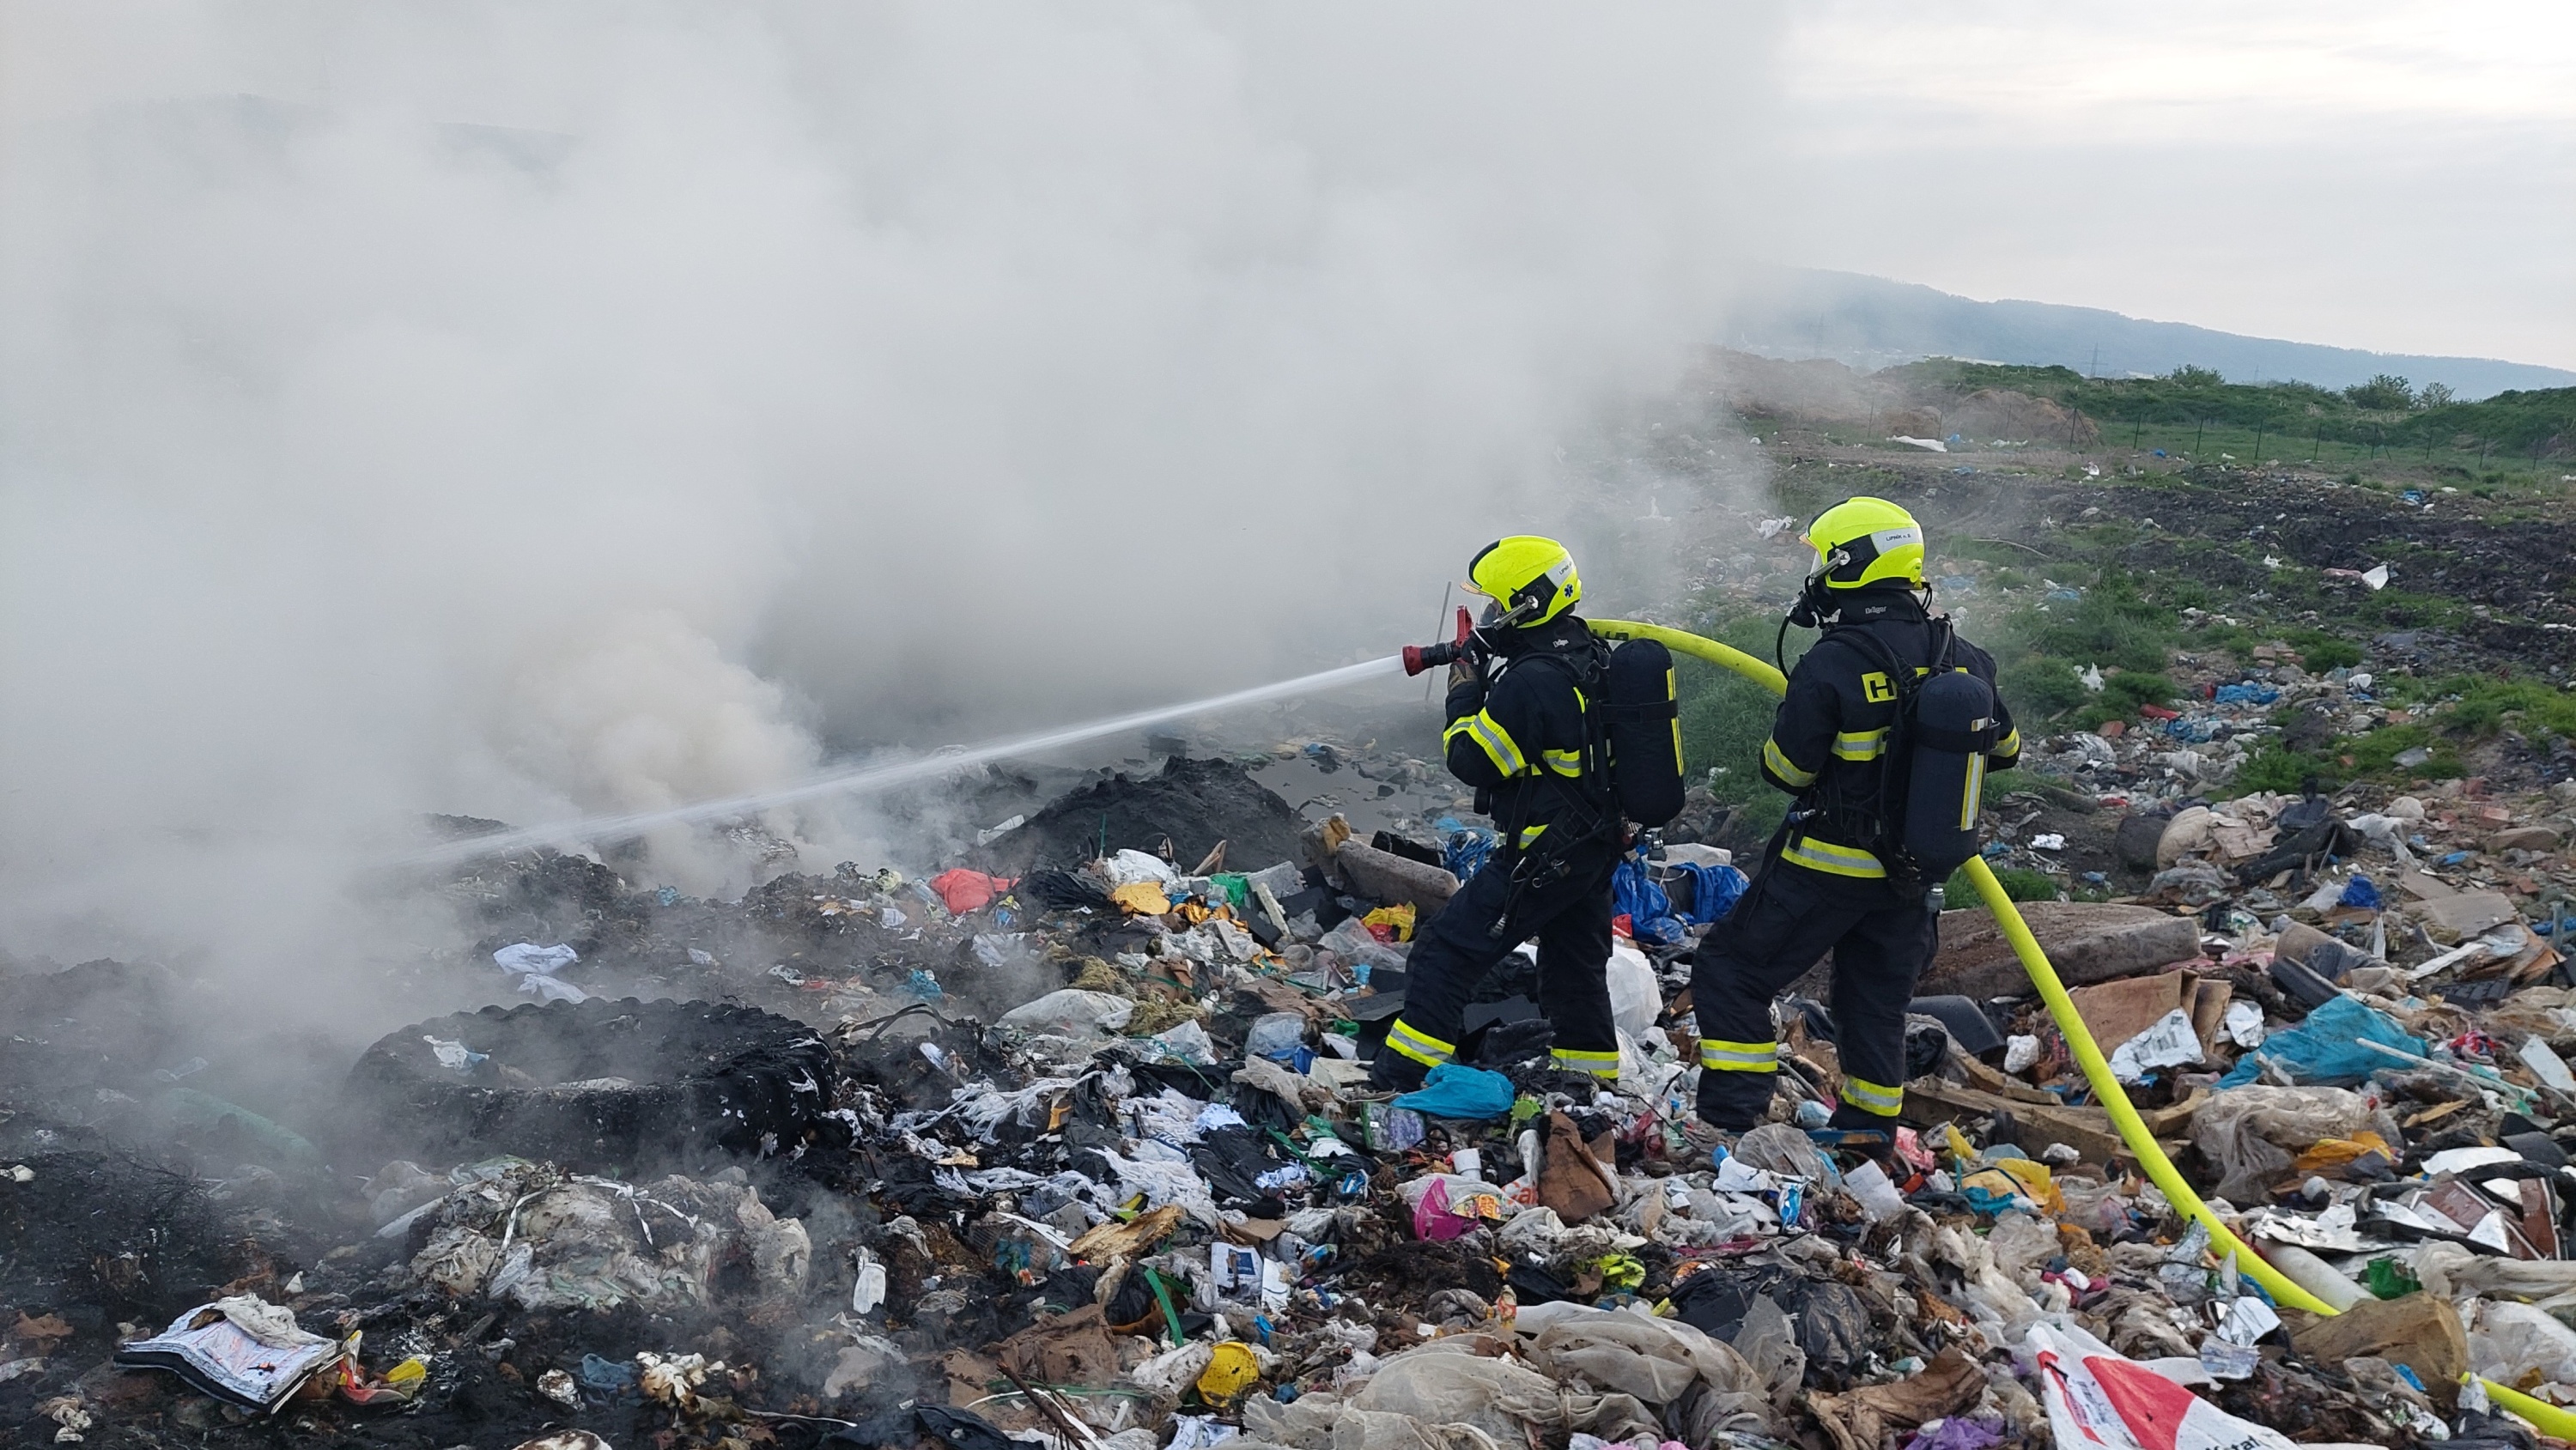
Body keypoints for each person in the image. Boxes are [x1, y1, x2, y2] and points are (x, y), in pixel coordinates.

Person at [1691, 497, 2020, 1137]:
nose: (1815, 572)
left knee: (1730, 971)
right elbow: (2005, 749)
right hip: (1914, 878)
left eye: (1823, 559)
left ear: (1850, 565)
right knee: (1873, 1005)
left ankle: (1732, 1122)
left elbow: (1786, 771)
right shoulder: (1964, 655)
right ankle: (1868, 1137)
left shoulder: (1835, 660)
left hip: (1826, 870)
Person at [1369, 536, 1625, 1091]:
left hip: (1543, 853)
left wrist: (1464, 690)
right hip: (1592, 847)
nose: (1488, 614)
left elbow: (1472, 759)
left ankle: (1402, 1080)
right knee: (1574, 969)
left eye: (1495, 602)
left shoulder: (1532, 681)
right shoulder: (1590, 651)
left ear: (1526, 605)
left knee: (1445, 952)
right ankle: (1588, 1088)